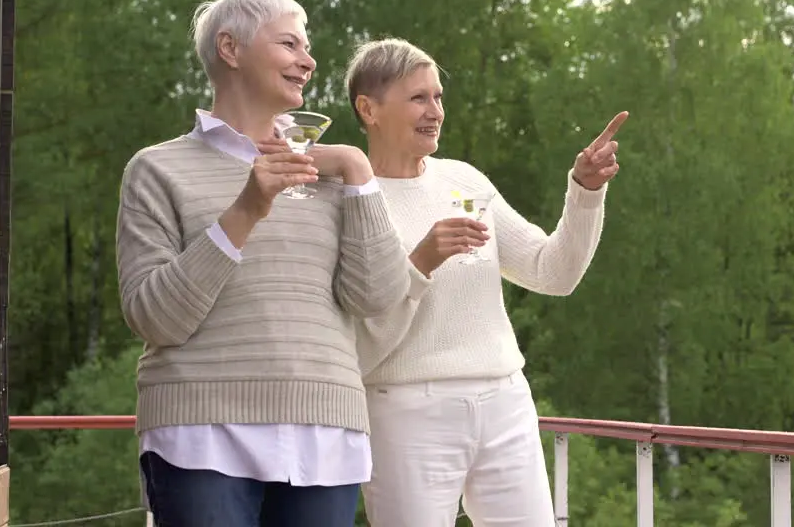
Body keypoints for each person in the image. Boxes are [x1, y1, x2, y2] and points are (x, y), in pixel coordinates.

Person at [261, 37, 626, 526]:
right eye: (418, 98)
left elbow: (552, 272)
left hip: (505, 400)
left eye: (438, 97)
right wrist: (422, 260)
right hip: (404, 411)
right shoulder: (337, 200)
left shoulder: (465, 181)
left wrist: (585, 191)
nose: (435, 111)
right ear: (368, 108)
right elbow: (353, 340)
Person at [115, 0, 408, 527]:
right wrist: (247, 207)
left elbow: (379, 297)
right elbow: (154, 318)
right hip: (199, 432)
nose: (309, 60)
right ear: (230, 48)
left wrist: (355, 168)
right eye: (290, 43)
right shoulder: (156, 170)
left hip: (326, 432)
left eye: (308, 46)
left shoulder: (332, 173)